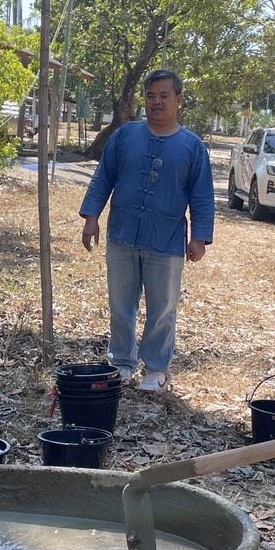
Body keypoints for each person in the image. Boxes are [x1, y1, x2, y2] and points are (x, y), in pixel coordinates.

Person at [79, 69, 215, 391]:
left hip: (166, 240)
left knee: (163, 307)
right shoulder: (125, 136)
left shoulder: (192, 147)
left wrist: (199, 237)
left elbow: (201, 194)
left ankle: (156, 368)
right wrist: (91, 216)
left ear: (179, 100)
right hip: (122, 235)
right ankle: (121, 363)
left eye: (164, 96)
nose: (157, 102)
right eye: (151, 96)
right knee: (120, 303)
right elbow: (103, 177)